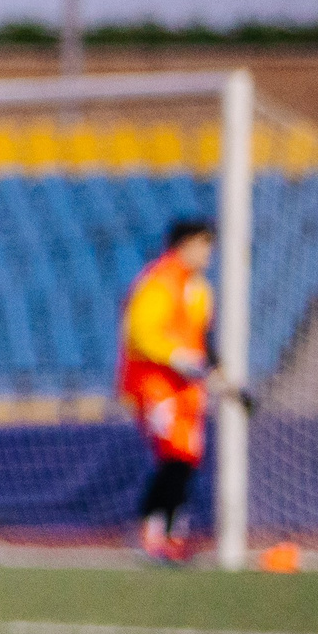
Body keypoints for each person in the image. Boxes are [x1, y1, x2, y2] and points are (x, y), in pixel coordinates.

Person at [118, 217, 217, 563]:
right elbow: (141, 333)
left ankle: (171, 533)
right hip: (155, 382)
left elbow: (205, 341)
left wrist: (217, 373)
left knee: (186, 459)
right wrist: (178, 357)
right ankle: (151, 531)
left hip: (187, 388)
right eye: (204, 244)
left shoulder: (200, 289)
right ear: (185, 244)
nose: (210, 253)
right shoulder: (159, 282)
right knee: (174, 455)